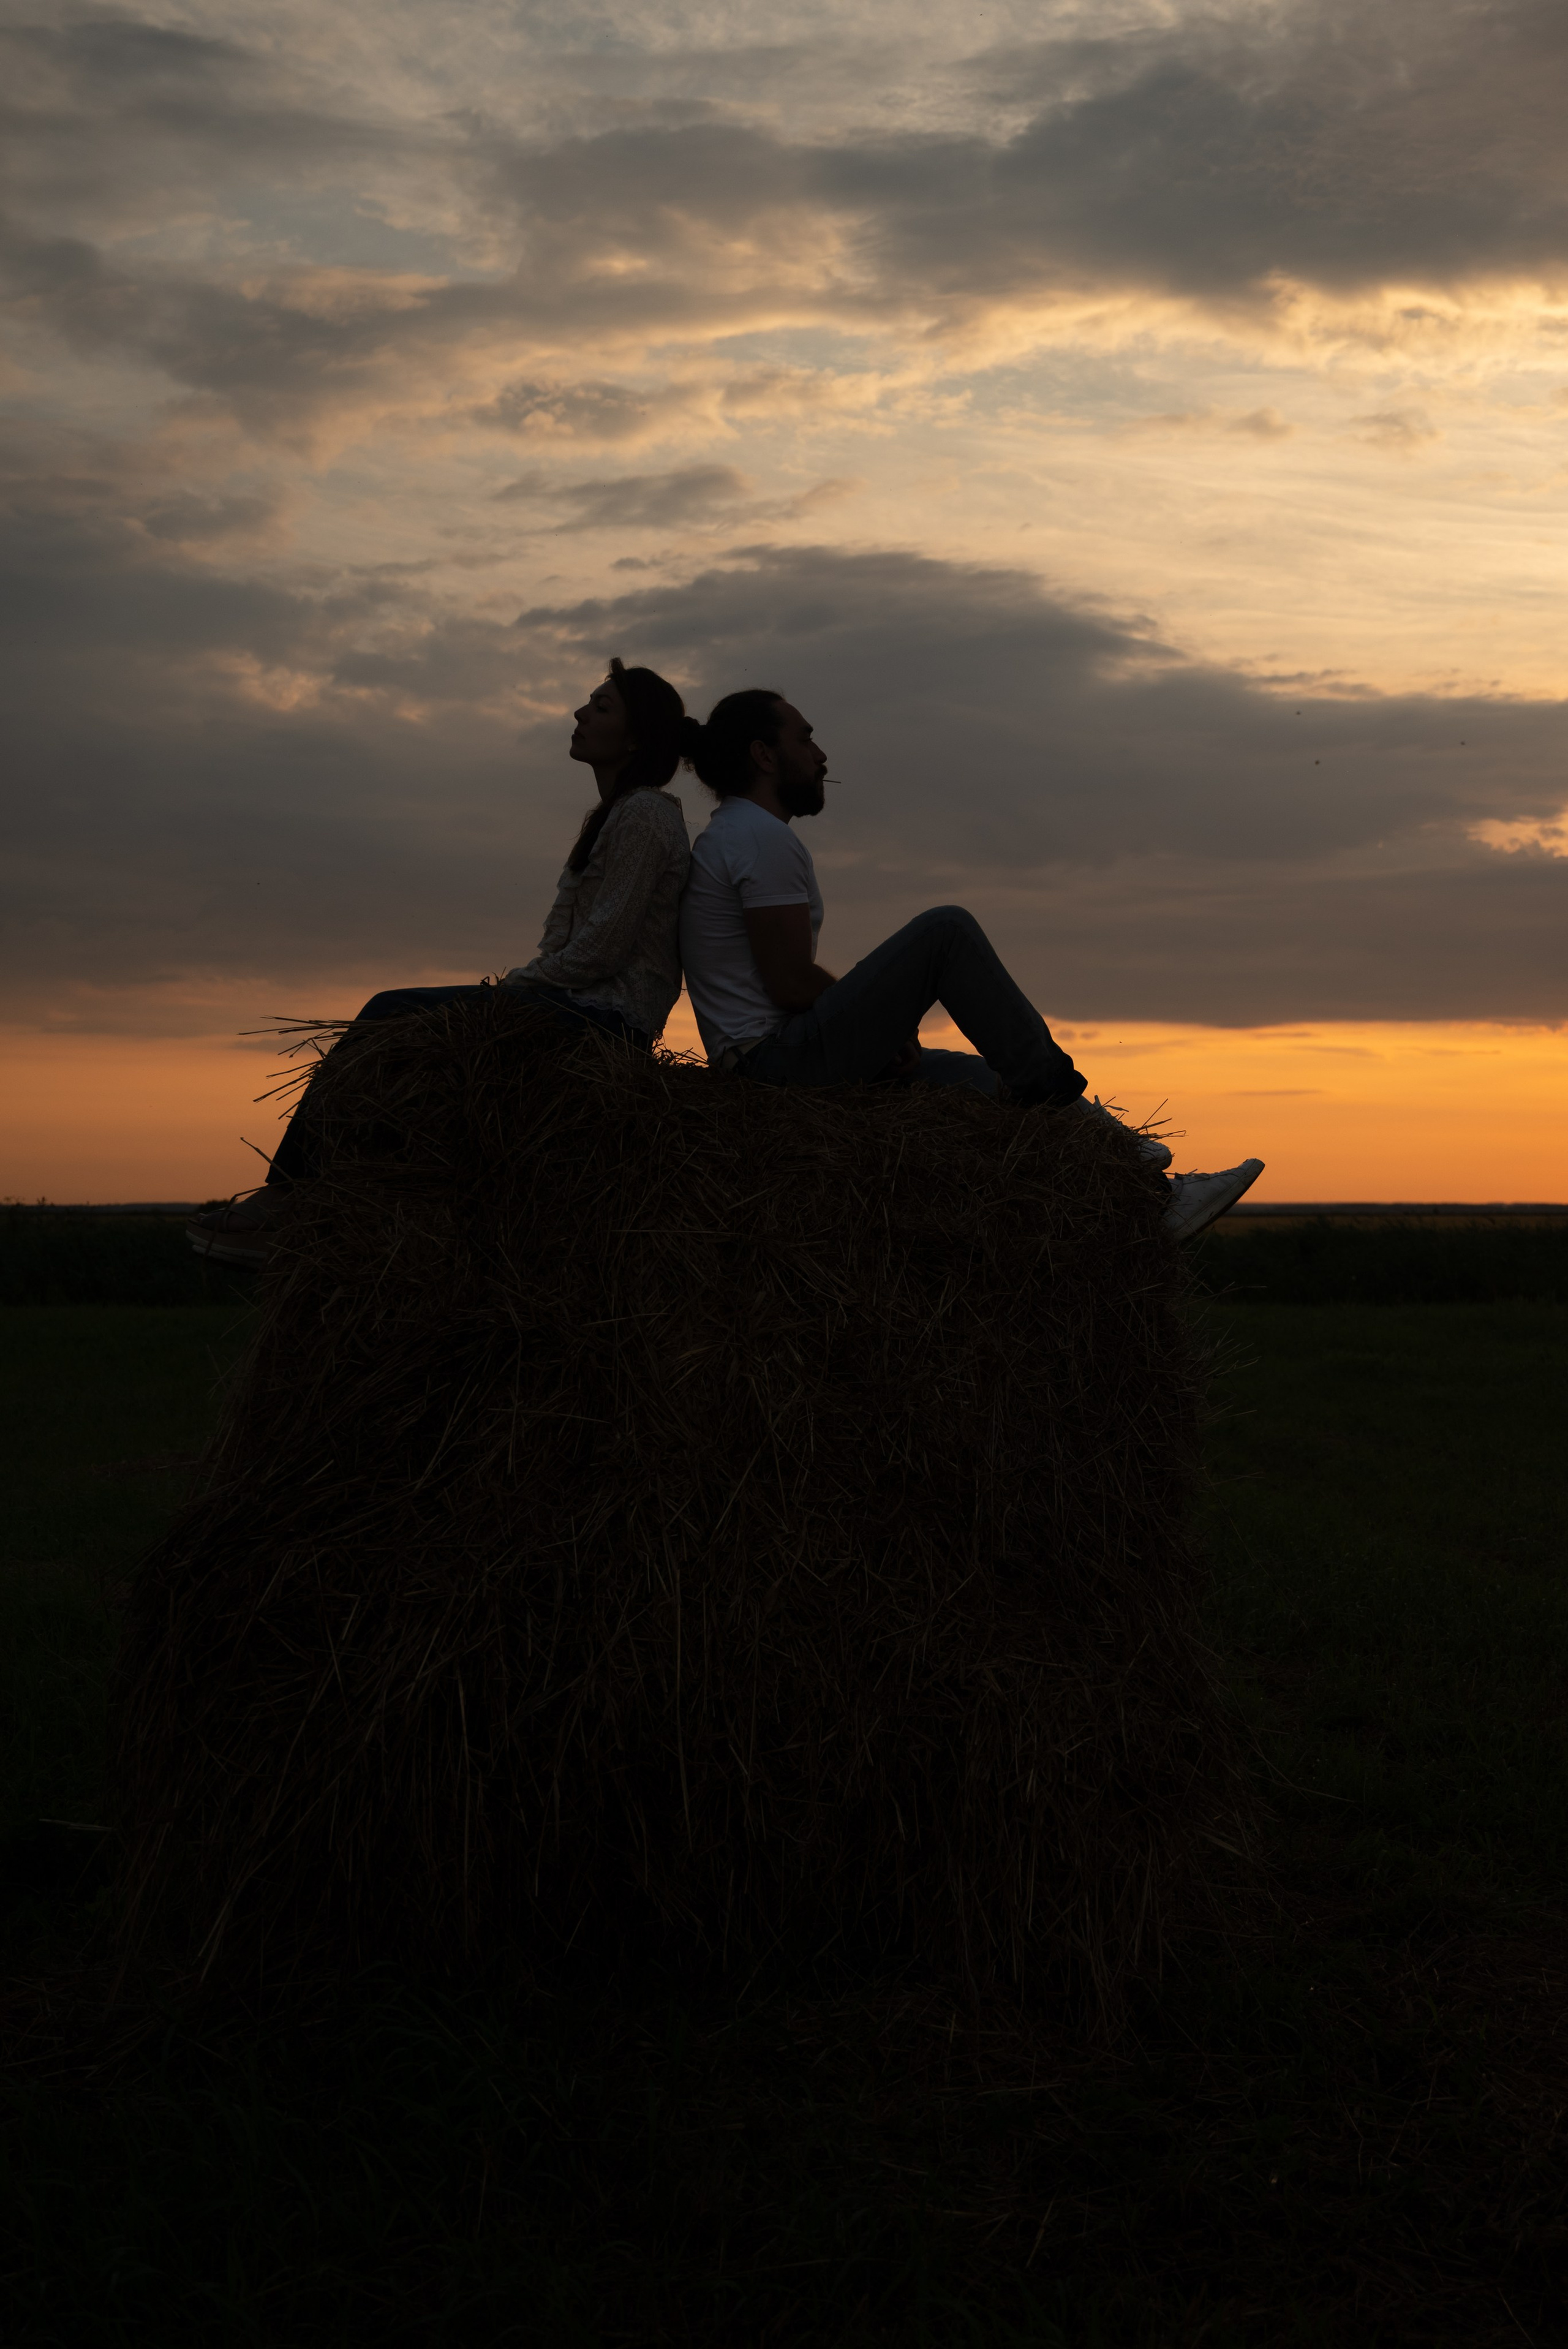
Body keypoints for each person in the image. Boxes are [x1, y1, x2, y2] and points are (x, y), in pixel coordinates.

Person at [676, 688, 1263, 1240]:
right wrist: (882, 1025)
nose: (822, 754)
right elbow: (789, 981)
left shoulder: (736, 834)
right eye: (805, 739)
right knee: (946, 932)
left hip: (768, 1063)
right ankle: (1087, 1118)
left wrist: (878, 1031)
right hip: (773, 1066)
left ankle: (1148, 1195)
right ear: (764, 755)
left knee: (976, 1079)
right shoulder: (757, 837)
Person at [188, 658, 692, 1264]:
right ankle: (351, 1202)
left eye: (601, 707)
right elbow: (576, 944)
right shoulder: (612, 816)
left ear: (635, 738)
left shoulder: (646, 815)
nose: (580, 713)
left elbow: (602, 948)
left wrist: (515, 989)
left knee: (387, 1011)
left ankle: (288, 1198)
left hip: (607, 1022)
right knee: (410, 1046)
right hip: (574, 1007)